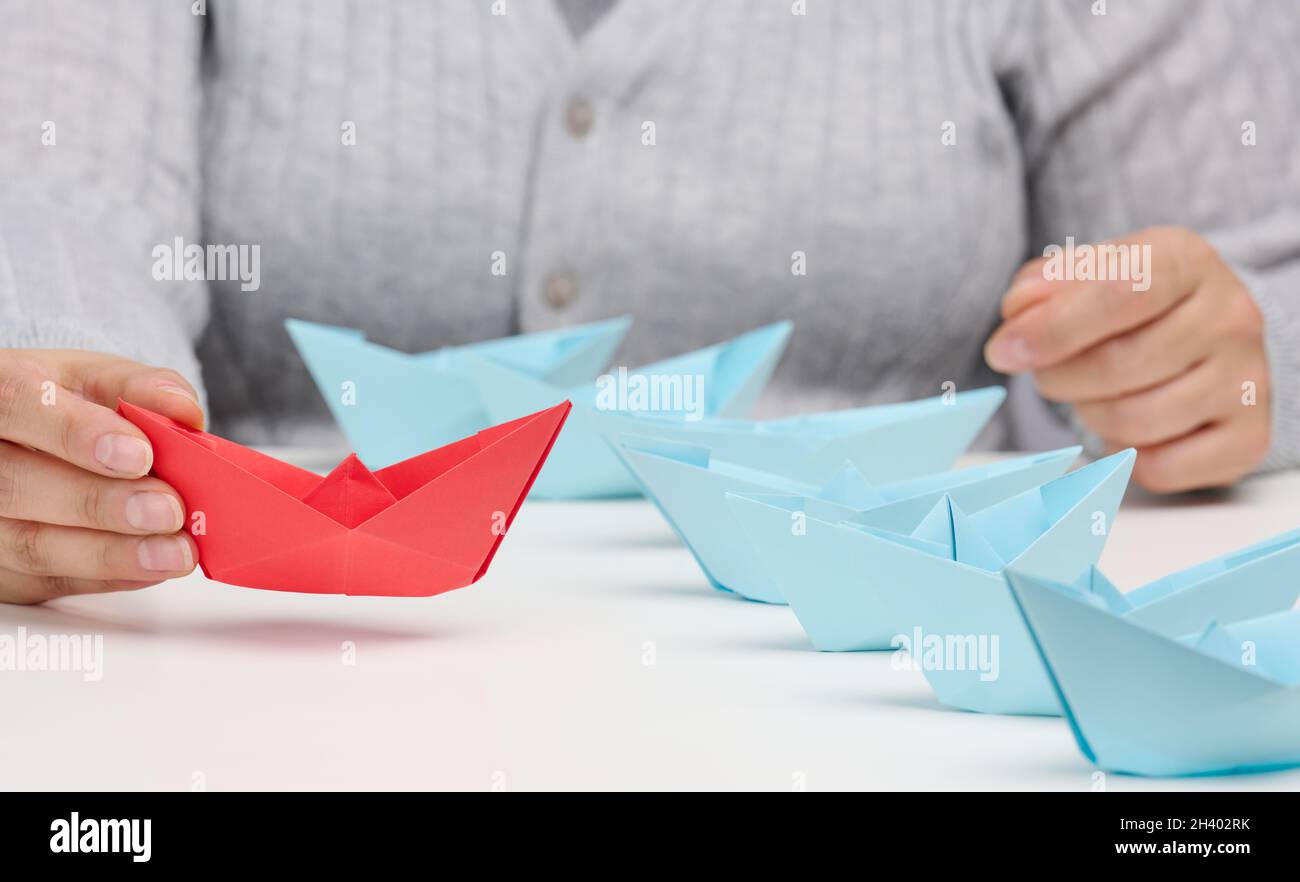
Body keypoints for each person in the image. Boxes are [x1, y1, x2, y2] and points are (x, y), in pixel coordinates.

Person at [0, 0, 1296, 604]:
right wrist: (69, 424)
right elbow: (54, 194)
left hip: (884, 702)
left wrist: (1227, 369)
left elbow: (1259, 273)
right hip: (255, 683)